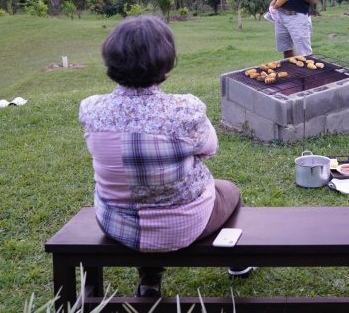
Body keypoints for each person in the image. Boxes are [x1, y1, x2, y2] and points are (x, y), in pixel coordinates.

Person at [79, 15, 252, 298]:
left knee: (143, 198)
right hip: (186, 225)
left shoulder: (91, 110)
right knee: (229, 191)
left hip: (116, 223)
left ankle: (150, 280)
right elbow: (210, 148)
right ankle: (238, 263)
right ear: (166, 61)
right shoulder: (185, 110)